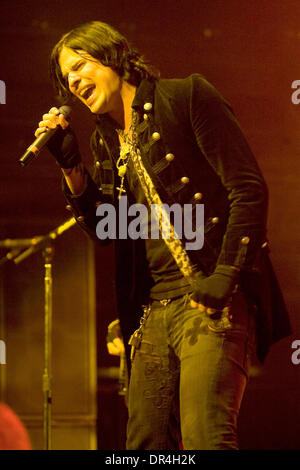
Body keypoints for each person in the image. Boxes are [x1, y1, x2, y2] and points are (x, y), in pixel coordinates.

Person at [34, 21, 291, 450]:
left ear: (114, 56)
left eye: (80, 65)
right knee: (144, 445)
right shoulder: (105, 141)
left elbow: (247, 188)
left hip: (209, 295)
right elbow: (105, 229)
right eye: (66, 77)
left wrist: (226, 274)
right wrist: (70, 166)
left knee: (205, 436)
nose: (74, 81)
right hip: (152, 312)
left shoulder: (187, 96)